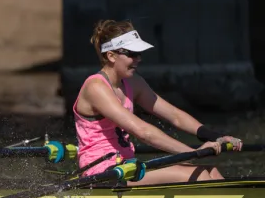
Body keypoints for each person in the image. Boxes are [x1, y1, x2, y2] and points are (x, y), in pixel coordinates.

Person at [73, 19, 243, 185]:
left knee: (209, 170)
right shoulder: (96, 87)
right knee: (195, 172)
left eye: (139, 53)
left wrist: (215, 136)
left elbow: (174, 115)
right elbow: (143, 132)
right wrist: (193, 153)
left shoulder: (133, 82)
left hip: (127, 166)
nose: (138, 59)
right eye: (132, 54)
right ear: (111, 56)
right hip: (100, 173)